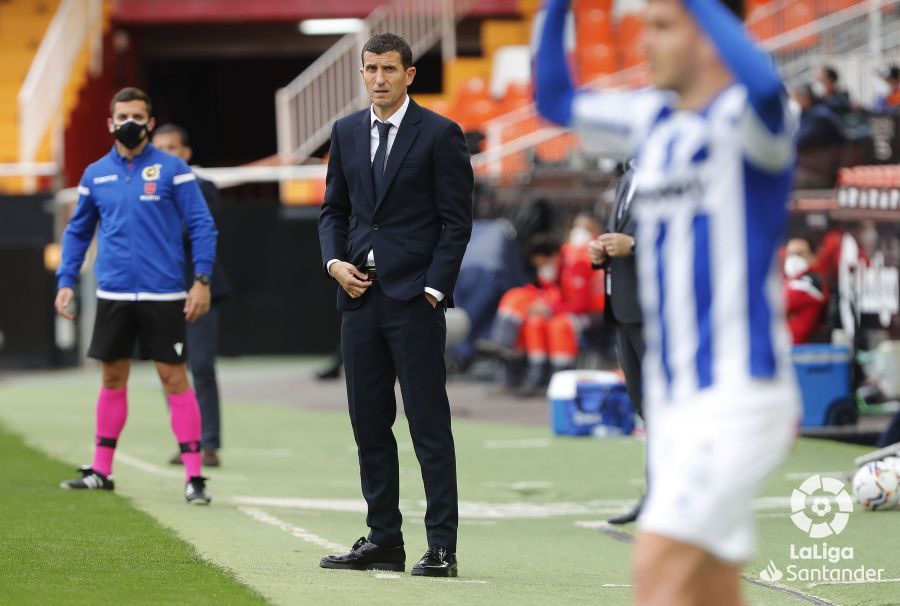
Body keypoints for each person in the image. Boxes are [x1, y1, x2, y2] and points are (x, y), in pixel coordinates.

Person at [536, 0, 801, 604]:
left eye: (662, 27)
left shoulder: (754, 116)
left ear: (710, 33)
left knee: (657, 569)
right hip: (678, 393)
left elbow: (763, 83)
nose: (643, 44)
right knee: (708, 585)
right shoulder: (652, 117)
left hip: (737, 390)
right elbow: (554, 99)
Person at [317, 33, 473, 577]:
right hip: (358, 297)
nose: (378, 77)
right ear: (361, 74)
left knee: (428, 425)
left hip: (414, 301)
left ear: (409, 74)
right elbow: (333, 212)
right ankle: (384, 538)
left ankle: (442, 549)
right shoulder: (345, 133)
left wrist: (434, 289)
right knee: (368, 423)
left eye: (388, 68)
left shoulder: (440, 134)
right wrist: (335, 264)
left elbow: (457, 221)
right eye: (369, 68)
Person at [54, 87, 217, 505]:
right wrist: (66, 279)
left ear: (149, 122)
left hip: (164, 294)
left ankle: (195, 477)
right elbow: (77, 231)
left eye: (137, 116)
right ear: (110, 123)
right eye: (122, 115)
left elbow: (202, 224)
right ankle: (101, 471)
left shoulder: (173, 169)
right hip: (113, 293)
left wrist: (201, 279)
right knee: (112, 378)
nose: (129, 122)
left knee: (174, 379)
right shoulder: (95, 174)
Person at [152, 123, 231, 467]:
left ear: (186, 153)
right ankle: (187, 440)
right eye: (159, 148)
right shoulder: (147, 190)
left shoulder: (204, 188)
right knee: (170, 368)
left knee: (200, 366)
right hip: (160, 292)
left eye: (172, 148)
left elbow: (196, 232)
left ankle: (209, 444)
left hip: (199, 289)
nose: (165, 155)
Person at [478, 227, 605, 395]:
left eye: (542, 263)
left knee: (559, 326)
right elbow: (555, 295)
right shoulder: (557, 268)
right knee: (531, 318)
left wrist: (550, 309)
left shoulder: (576, 263)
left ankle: (559, 379)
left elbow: (581, 304)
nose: (541, 268)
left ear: (552, 256)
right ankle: (528, 370)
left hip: (594, 314)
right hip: (568, 309)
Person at [589, 162, 647, 525]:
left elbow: (691, 236)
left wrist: (635, 245)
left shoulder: (673, 171)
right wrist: (604, 252)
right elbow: (620, 235)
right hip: (626, 306)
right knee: (647, 408)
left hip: (659, 309)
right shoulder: (629, 175)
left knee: (668, 408)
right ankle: (658, 494)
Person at [783, 236, 828, 345]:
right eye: (790, 254)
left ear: (812, 257)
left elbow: (776, 306)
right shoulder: (790, 281)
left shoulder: (810, 282)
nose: (793, 259)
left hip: (797, 347)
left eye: (799, 254)